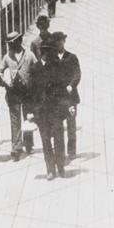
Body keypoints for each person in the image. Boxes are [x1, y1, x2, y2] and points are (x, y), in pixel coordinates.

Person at [29, 37, 72, 180]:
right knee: (46, 141)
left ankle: (61, 167)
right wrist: (31, 111)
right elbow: (31, 92)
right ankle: (50, 169)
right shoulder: (35, 69)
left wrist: (66, 106)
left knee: (59, 139)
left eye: (51, 51)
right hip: (42, 112)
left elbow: (63, 88)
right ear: (42, 53)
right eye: (46, 51)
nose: (49, 54)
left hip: (56, 110)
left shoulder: (57, 66)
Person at [0, 31, 37, 161]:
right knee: (15, 120)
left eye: (13, 42)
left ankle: (29, 144)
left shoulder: (29, 55)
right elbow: (0, 71)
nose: (11, 46)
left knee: (28, 118)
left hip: (27, 92)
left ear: (19, 41)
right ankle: (16, 148)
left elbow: (37, 70)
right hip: (13, 92)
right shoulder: (7, 57)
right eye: (9, 44)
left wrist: (33, 83)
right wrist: (6, 80)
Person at [52, 31, 81, 160]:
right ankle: (60, 151)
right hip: (57, 98)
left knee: (71, 124)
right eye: (57, 41)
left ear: (64, 41)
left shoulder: (71, 57)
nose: (59, 43)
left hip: (70, 97)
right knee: (57, 126)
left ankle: (72, 151)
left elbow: (77, 74)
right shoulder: (51, 58)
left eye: (61, 40)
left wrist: (71, 85)